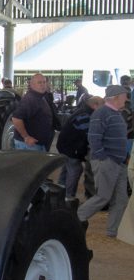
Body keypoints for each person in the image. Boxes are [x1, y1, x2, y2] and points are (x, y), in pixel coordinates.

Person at [77, 84, 131, 238]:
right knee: (103, 196)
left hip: (118, 162)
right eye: (124, 97)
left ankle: (112, 231)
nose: (126, 100)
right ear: (116, 98)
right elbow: (94, 137)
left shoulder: (116, 113)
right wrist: (103, 157)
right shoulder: (102, 113)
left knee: (121, 199)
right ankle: (77, 218)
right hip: (107, 161)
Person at [56, 96, 102, 200]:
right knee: (75, 170)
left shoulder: (83, 111)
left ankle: (59, 192)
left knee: (66, 168)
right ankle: (69, 197)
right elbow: (90, 134)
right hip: (71, 148)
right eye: (102, 106)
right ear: (95, 105)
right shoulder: (85, 116)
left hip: (65, 146)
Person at [10, 73, 54, 151]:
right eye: (39, 82)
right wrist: (26, 137)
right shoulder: (29, 99)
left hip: (38, 144)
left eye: (44, 82)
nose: (43, 85)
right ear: (32, 85)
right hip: (29, 145)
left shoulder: (41, 97)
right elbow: (16, 118)